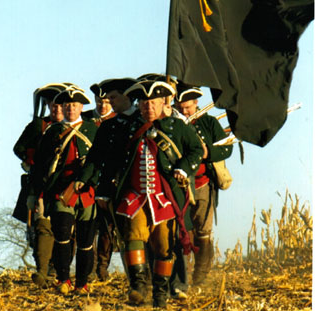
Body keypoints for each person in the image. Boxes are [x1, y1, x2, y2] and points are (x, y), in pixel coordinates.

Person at [81, 78, 204, 308]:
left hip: (164, 198)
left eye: (153, 103)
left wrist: (183, 169)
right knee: (132, 238)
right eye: (144, 103)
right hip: (135, 196)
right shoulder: (127, 128)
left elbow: (196, 149)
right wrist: (105, 191)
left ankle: (159, 295)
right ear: (138, 104)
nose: (149, 108)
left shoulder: (176, 127)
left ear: (162, 104)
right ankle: (138, 286)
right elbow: (110, 161)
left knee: (163, 247)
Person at [32, 86, 98, 295]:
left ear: (81, 107)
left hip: (87, 192)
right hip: (60, 190)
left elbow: (101, 161)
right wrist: (35, 192)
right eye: (67, 105)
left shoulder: (93, 129)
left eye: (75, 105)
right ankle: (63, 279)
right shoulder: (52, 131)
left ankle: (82, 282)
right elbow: (40, 165)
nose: (71, 109)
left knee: (86, 240)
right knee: (62, 234)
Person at [174, 81, 233, 286]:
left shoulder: (208, 123)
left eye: (188, 106)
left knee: (203, 231)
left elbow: (226, 148)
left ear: (196, 102)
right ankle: (183, 275)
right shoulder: (172, 123)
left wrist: (208, 153)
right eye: (180, 107)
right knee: (182, 230)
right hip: (177, 185)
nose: (184, 110)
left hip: (203, 183)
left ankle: (201, 275)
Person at [80, 77, 138, 281]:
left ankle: (146, 277)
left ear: (127, 97)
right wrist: (85, 181)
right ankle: (135, 280)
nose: (109, 101)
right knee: (119, 234)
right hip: (113, 188)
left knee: (137, 235)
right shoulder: (107, 127)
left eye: (113, 97)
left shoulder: (143, 121)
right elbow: (96, 158)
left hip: (139, 187)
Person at [12, 83, 70, 288]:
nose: (55, 109)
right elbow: (18, 147)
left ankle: (57, 269)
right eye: (51, 105)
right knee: (42, 226)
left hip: (66, 186)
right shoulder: (39, 126)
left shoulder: (74, 128)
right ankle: (43, 271)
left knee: (64, 228)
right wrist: (30, 158)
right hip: (41, 183)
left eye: (59, 105)